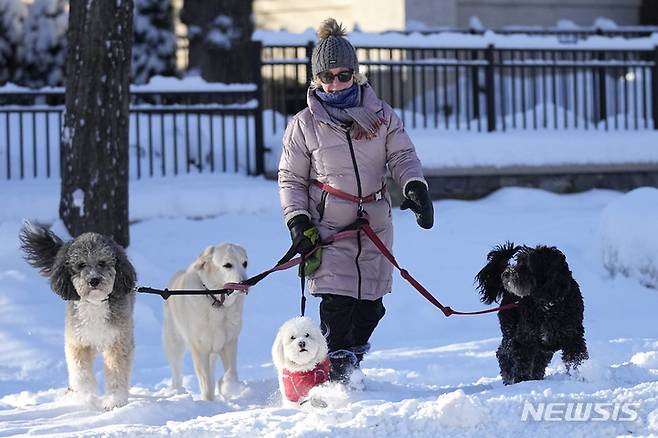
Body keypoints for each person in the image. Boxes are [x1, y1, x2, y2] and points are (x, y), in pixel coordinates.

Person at [277, 18, 434, 387]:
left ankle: (353, 356)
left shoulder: (381, 116)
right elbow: (291, 178)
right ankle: (338, 373)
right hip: (329, 228)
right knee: (336, 303)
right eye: (327, 77)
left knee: (371, 305)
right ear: (315, 79)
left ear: (356, 75)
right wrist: (298, 220)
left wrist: (415, 187)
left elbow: (402, 156)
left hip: (375, 223)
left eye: (343, 75)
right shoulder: (304, 124)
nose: (335, 83)